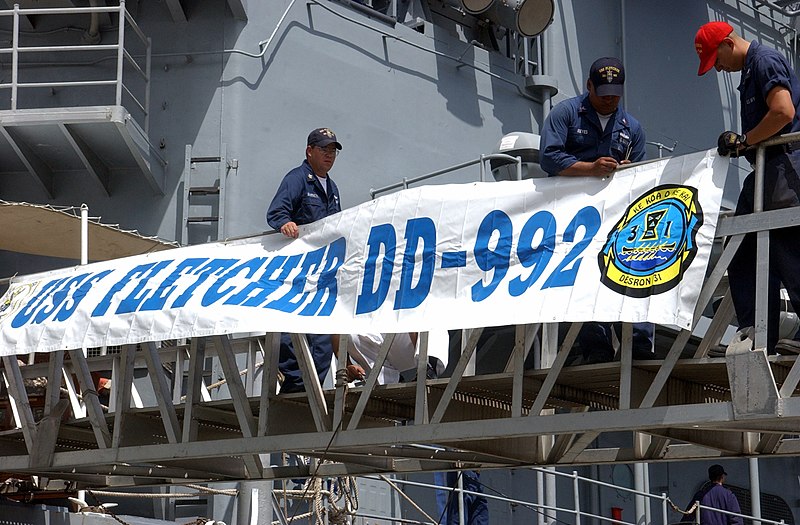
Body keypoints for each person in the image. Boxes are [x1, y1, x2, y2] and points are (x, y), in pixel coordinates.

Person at [695, 21, 800, 355]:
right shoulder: (749, 71)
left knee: (788, 251)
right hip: (767, 169)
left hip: (783, 166)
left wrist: (744, 140)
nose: (719, 68)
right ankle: (757, 332)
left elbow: (783, 111)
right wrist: (742, 142)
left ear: (728, 42)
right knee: (741, 250)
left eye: (717, 59)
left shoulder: (764, 60)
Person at [539, 57, 654, 363]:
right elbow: (549, 158)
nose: (609, 99)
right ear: (589, 86)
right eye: (603, 92)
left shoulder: (633, 128)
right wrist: (591, 168)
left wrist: (629, 171)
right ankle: (595, 347)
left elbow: (642, 175)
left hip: (617, 220)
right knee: (586, 278)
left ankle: (639, 345)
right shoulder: (565, 113)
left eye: (615, 93)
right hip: (575, 218)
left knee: (633, 272)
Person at [266, 128, 359, 392]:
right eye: (324, 150)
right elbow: (276, 212)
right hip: (297, 276)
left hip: (322, 277)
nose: (330, 156)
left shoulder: (333, 188)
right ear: (310, 151)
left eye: (333, 151)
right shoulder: (297, 179)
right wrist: (285, 223)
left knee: (321, 347)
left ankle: (310, 397)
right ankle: (293, 401)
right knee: (293, 345)